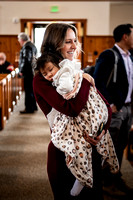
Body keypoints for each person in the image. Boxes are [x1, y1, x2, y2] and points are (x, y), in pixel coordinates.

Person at [33, 22, 114, 200]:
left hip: (91, 152)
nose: (74, 46)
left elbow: (105, 106)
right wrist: (84, 79)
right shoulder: (43, 79)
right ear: (55, 44)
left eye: (75, 41)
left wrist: (101, 131)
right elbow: (72, 109)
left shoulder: (76, 71)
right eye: (68, 41)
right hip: (64, 154)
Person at [93, 23, 133, 195]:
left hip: (129, 107)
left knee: (122, 144)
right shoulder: (109, 55)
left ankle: (115, 177)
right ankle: (105, 182)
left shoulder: (131, 56)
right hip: (116, 109)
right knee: (111, 147)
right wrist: (110, 104)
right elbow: (98, 81)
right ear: (125, 36)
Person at [18, 32, 38, 114]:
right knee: (31, 90)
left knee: (28, 90)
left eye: (19, 39)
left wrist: (21, 70)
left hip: (28, 72)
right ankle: (33, 106)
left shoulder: (27, 46)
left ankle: (29, 108)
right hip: (31, 71)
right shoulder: (32, 45)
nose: (19, 41)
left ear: (22, 40)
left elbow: (26, 59)